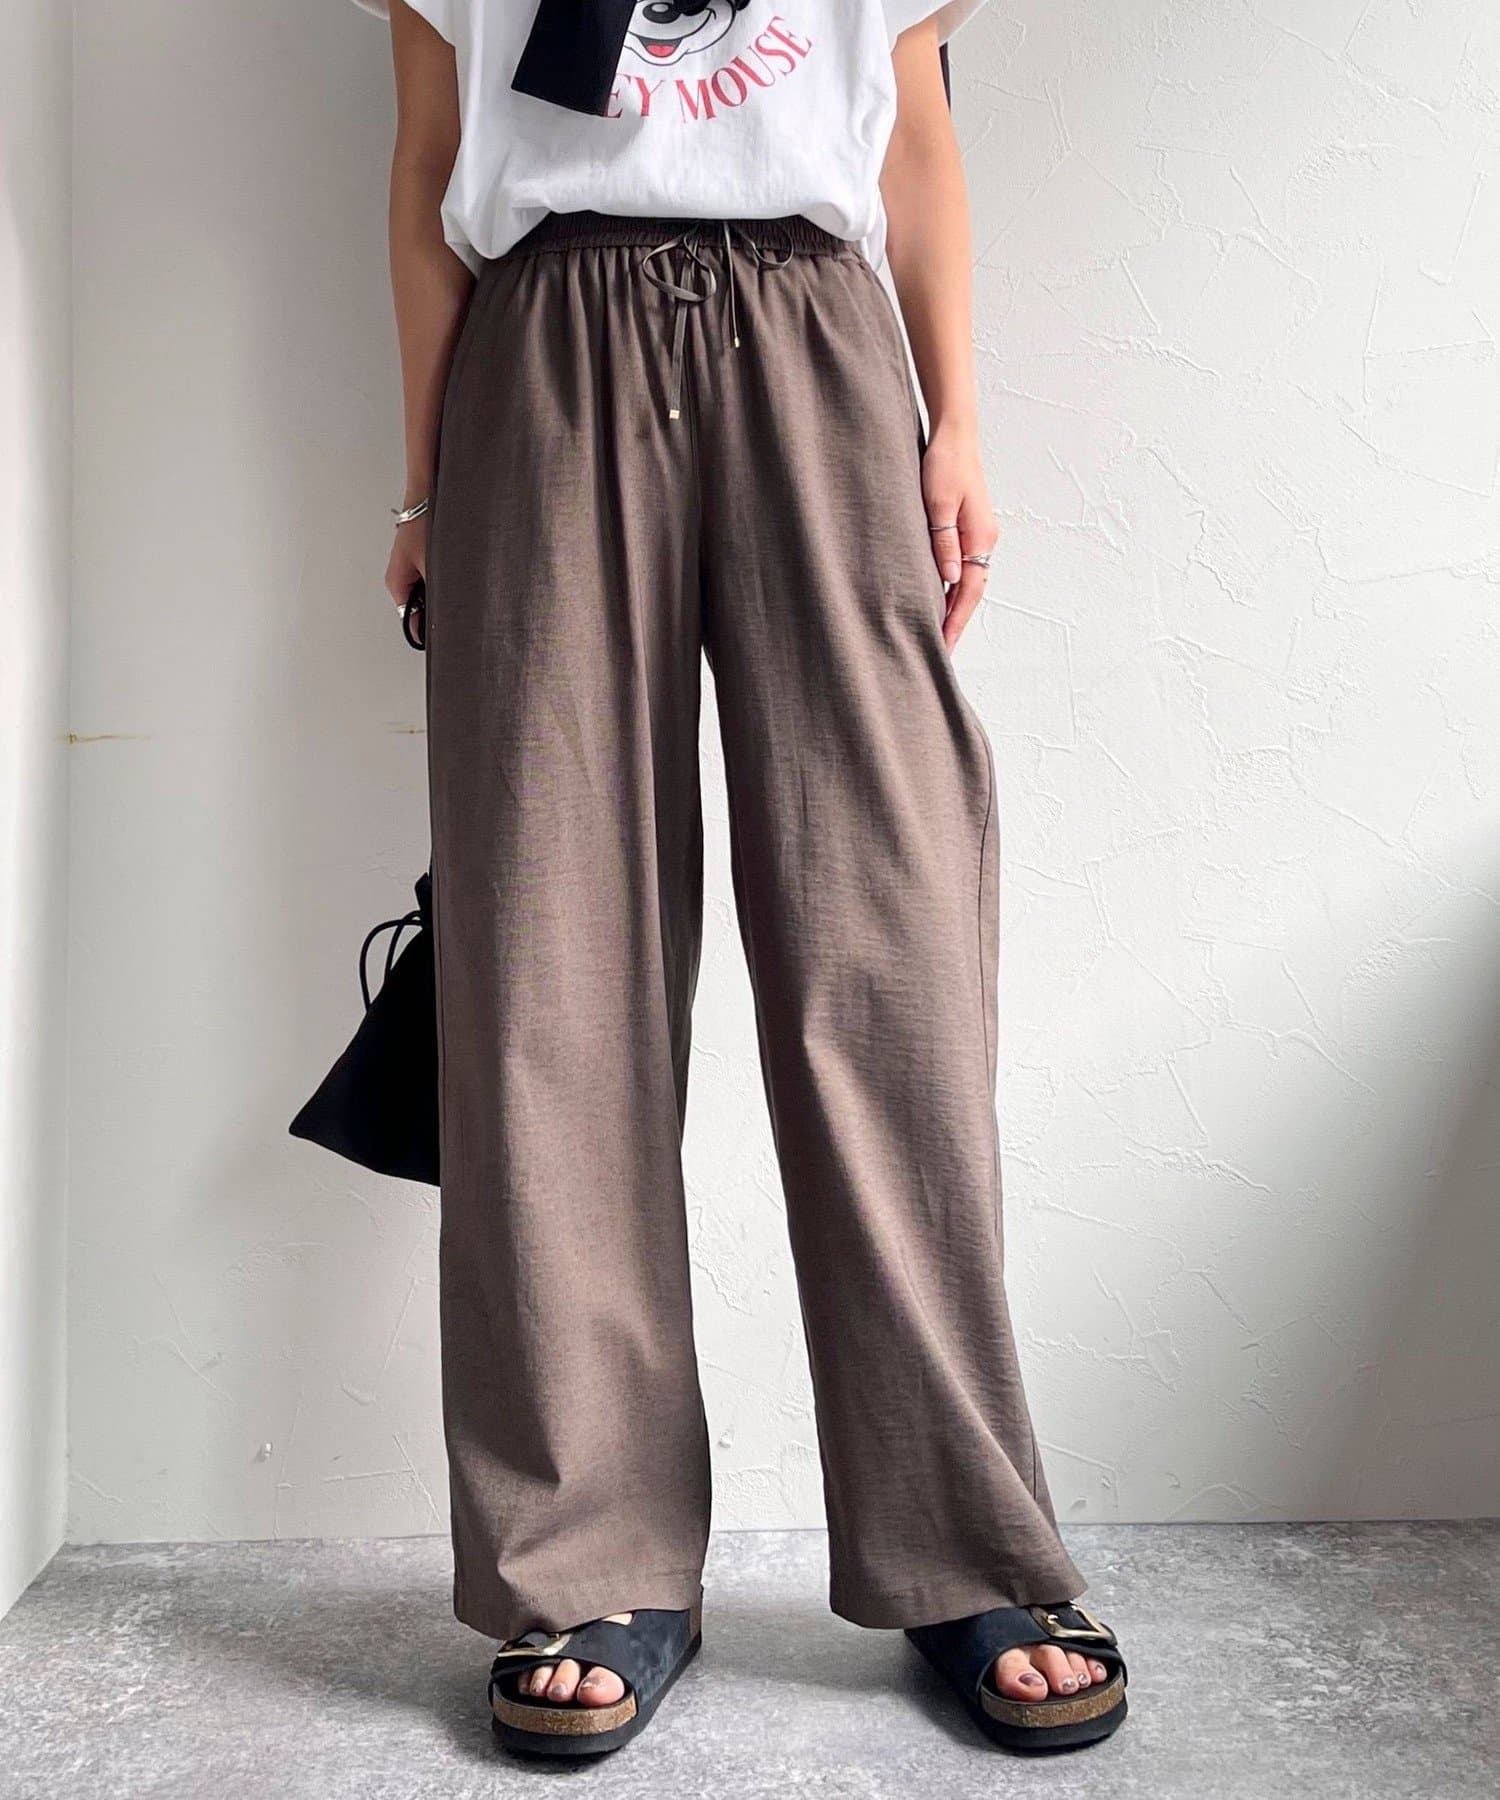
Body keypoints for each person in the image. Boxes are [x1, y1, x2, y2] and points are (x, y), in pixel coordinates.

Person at [353, 0, 1130, 1757]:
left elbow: (915, 136)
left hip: (819, 338)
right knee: (550, 969)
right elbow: (424, 171)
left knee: (888, 948)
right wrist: (423, 481)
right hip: (543, 348)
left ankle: (962, 1544)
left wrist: (959, 421)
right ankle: (590, 1555)